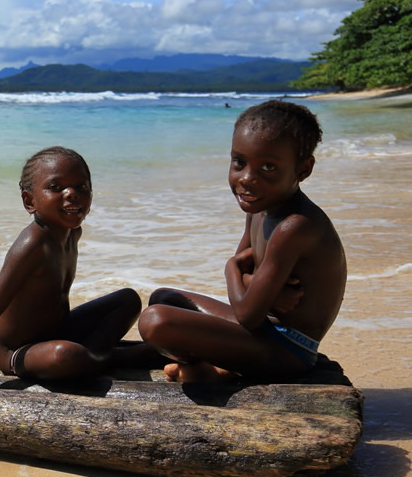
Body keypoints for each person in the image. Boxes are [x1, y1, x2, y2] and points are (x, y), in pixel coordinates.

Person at [138, 100, 346, 382]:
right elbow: (246, 291)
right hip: (262, 331)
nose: (247, 179)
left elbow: (246, 312)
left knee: (155, 320)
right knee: (164, 298)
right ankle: (205, 365)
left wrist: (232, 269)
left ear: (303, 170)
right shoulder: (260, 208)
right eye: (239, 162)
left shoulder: (294, 227)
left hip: (289, 351)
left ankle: (211, 369)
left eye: (268, 167)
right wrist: (256, 287)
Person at [0, 146, 147, 407]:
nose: (72, 194)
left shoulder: (72, 232)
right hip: (20, 353)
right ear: (29, 201)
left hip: (59, 329)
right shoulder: (32, 244)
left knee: (127, 300)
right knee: (66, 355)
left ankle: (94, 357)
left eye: (82, 187)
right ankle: (119, 357)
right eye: (56, 187)